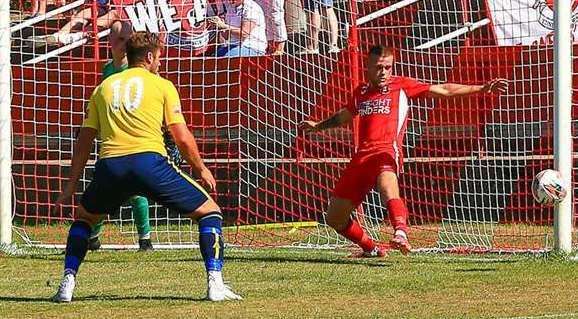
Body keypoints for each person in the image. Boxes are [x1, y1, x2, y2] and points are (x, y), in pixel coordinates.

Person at [51, 31, 242, 302]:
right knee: (210, 212)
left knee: (84, 219)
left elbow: (83, 141)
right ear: (150, 57)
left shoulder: (103, 87)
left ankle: (67, 284)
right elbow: (182, 136)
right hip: (149, 163)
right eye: (160, 57)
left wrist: (71, 183)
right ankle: (215, 284)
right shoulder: (162, 86)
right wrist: (200, 169)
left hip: (110, 167)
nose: (161, 63)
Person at [299, 45, 508, 257]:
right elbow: (345, 115)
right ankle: (371, 250)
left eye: (388, 67)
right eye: (379, 67)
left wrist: (481, 88)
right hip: (361, 157)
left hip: (386, 152)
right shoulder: (361, 92)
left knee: (387, 186)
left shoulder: (401, 86)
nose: (383, 72)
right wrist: (318, 126)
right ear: (368, 66)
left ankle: (400, 232)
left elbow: (443, 90)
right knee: (335, 217)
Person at [86, 19, 154, 252]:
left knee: (136, 191)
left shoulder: (138, 70)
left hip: (135, 139)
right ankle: (94, 236)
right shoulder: (107, 70)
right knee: (104, 189)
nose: (125, 44)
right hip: (111, 140)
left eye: (129, 38)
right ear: (111, 42)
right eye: (121, 39)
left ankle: (145, 239)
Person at [28, 0, 121, 48]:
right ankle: (57, 36)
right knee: (83, 14)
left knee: (113, 14)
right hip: (101, 7)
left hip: (120, 11)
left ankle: (78, 36)